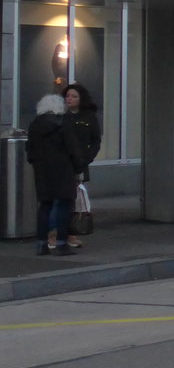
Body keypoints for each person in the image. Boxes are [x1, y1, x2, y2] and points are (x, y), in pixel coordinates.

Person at [26, 94, 85, 256]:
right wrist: (79, 167)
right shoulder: (63, 124)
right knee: (65, 206)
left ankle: (41, 244)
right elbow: (74, 149)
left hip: (42, 172)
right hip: (64, 171)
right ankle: (61, 243)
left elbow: (29, 152)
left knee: (45, 206)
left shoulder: (34, 125)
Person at [59, 82, 101, 248]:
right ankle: (56, 233)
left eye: (74, 96)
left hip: (80, 164)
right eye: (67, 96)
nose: (69, 99)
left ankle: (71, 233)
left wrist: (87, 159)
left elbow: (96, 141)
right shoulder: (61, 116)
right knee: (61, 200)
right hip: (62, 164)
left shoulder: (88, 117)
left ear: (81, 99)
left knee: (76, 200)